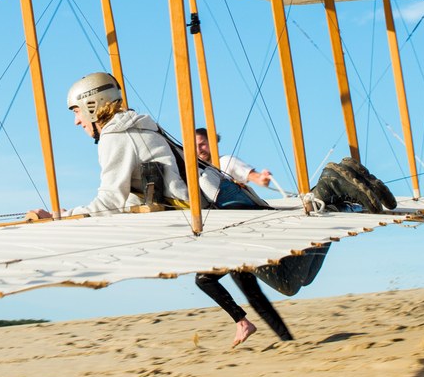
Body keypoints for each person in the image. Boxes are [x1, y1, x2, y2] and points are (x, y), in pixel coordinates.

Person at [29, 73, 293, 348]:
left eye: (76, 112)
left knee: (284, 279)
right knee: (251, 278)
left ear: (92, 105)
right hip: (221, 198)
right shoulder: (135, 127)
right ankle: (279, 338)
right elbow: (134, 198)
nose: (77, 121)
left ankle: (335, 194)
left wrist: (59, 218)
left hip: (222, 202)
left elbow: (109, 202)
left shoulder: (115, 136)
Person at [193, 128, 274, 192]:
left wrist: (262, 178)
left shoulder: (226, 161)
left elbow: (255, 178)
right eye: (195, 146)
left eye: (202, 144)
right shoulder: (191, 170)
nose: (199, 150)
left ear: (212, 143)